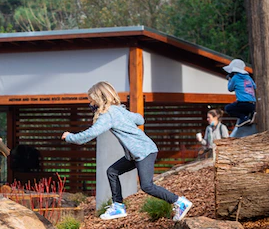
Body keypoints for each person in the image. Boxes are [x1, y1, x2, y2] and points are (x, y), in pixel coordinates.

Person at [61, 81, 193, 221]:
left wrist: (69, 137)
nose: (90, 104)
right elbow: (140, 119)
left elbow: (88, 135)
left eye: (91, 100)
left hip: (144, 152)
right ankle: (118, 206)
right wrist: (127, 119)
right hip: (136, 154)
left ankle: (180, 202)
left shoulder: (108, 115)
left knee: (147, 186)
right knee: (112, 171)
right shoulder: (119, 110)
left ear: (99, 99)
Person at [223, 59, 256, 126]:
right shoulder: (248, 77)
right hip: (253, 104)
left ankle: (244, 118)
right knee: (240, 107)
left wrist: (230, 80)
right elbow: (254, 86)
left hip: (243, 103)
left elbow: (230, 89)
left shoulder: (235, 78)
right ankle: (249, 117)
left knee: (228, 108)